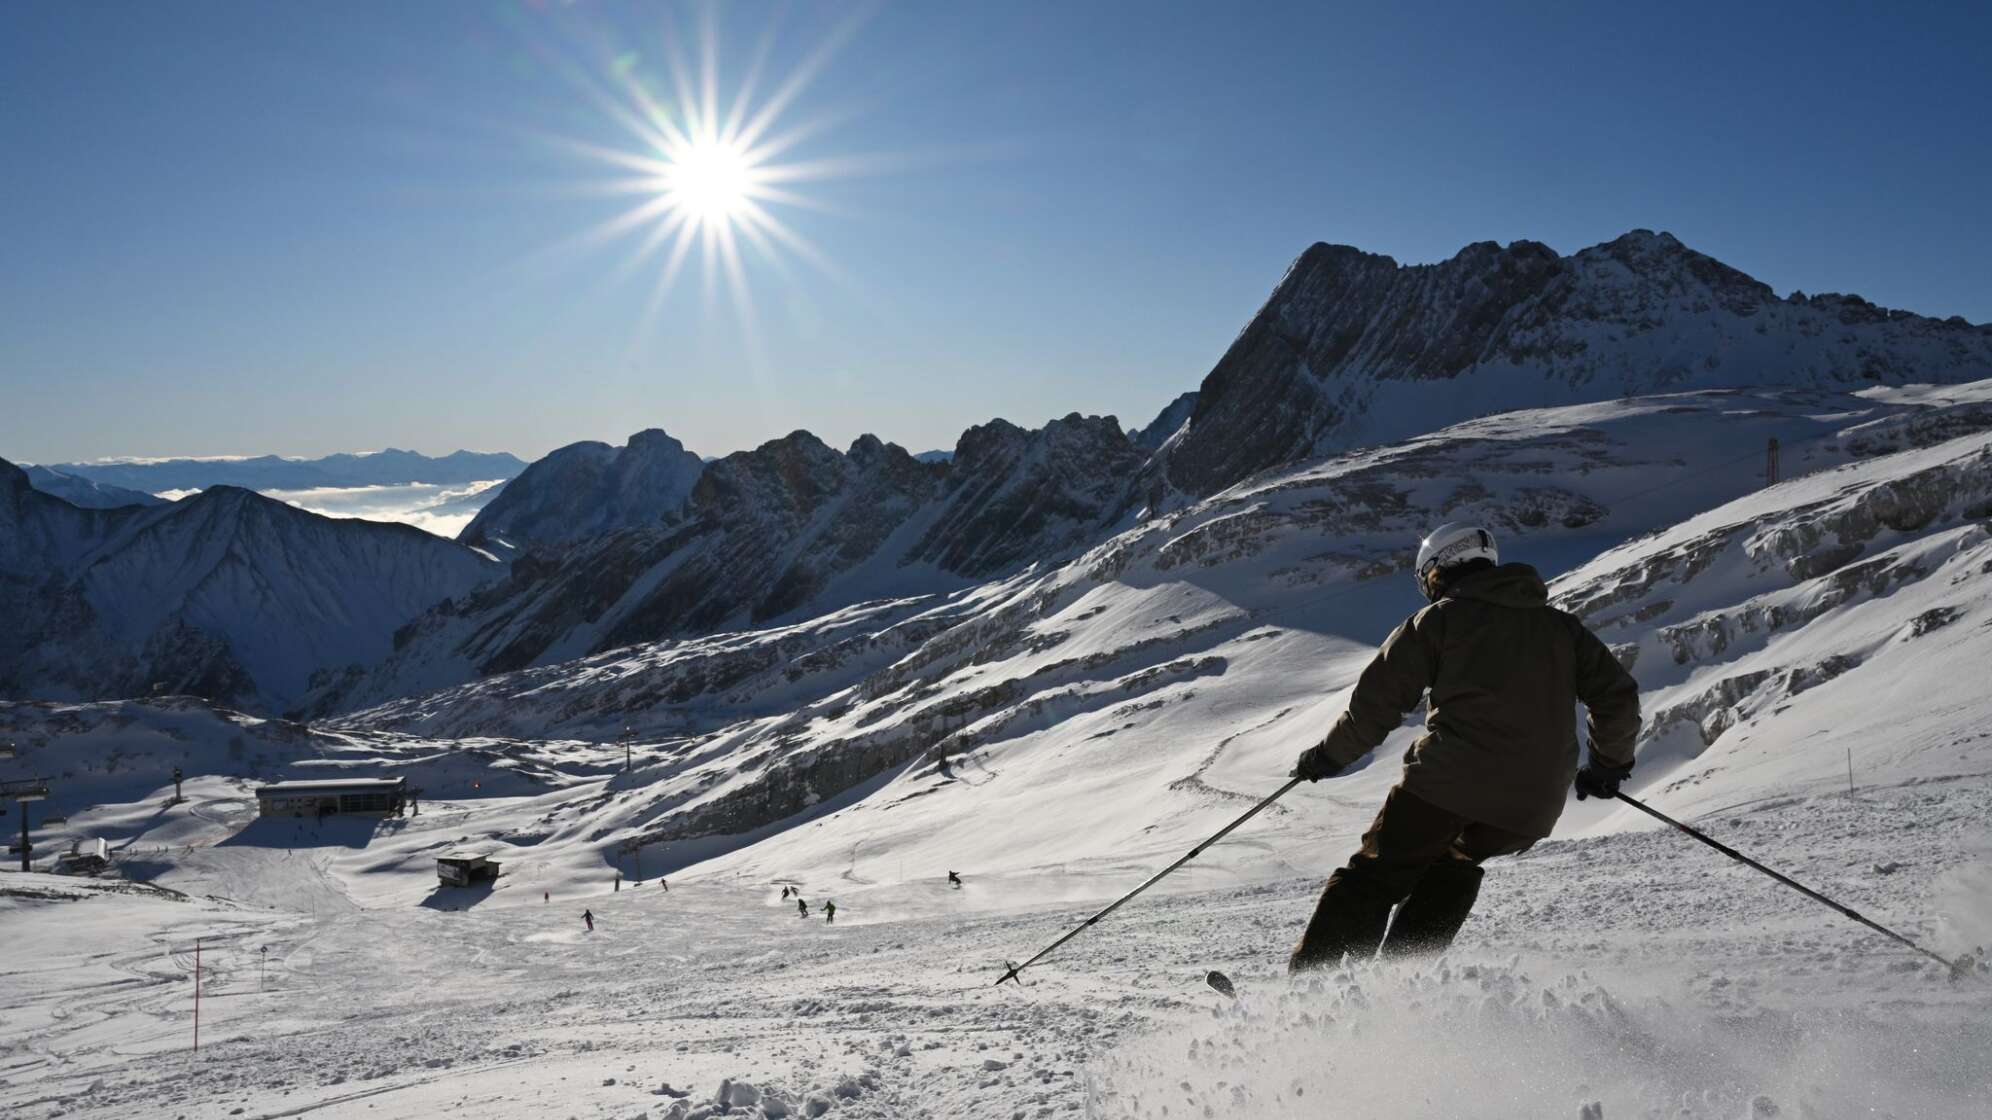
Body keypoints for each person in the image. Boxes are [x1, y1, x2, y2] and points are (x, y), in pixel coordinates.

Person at [1287, 523, 1640, 972]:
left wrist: (1327, 756)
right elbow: (1617, 698)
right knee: (1452, 867)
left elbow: (1375, 707)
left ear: (1437, 571)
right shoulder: (1561, 629)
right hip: (1531, 806)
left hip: (1447, 785)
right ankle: (1398, 992)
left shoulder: (1439, 621)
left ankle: (1311, 992)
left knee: (1375, 875)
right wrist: (1608, 764)